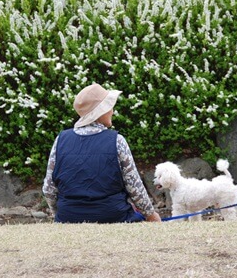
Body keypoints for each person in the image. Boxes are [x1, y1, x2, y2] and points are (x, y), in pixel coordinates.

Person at [43, 83, 162, 223]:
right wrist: (151, 215)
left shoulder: (60, 140)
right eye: (109, 107)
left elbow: (49, 189)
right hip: (113, 215)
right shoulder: (117, 141)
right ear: (101, 111)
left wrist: (60, 214)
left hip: (68, 216)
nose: (112, 111)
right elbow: (134, 187)